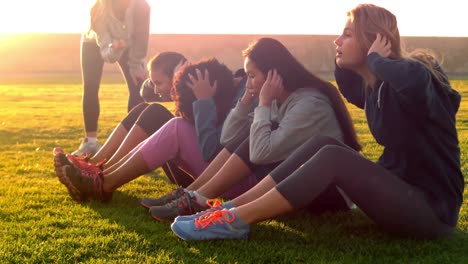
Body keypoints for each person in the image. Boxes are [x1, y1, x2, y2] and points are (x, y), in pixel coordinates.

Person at [169, 4, 464, 241]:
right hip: (403, 195)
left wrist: (375, 59)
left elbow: (412, 82)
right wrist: (365, 61)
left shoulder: (415, 75)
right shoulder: (376, 88)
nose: (337, 40)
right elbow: (345, 79)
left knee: (335, 156)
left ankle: (235, 221)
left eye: (347, 34)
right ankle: (229, 211)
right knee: (324, 144)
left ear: (373, 40)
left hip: (432, 210)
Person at [145, 37, 361, 222]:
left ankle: (197, 199)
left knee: (253, 136)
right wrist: (247, 100)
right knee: (248, 133)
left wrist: (263, 105)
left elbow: (259, 153)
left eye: (251, 76)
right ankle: (192, 195)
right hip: (296, 185)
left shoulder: (309, 104)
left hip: (328, 196)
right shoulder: (279, 100)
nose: (248, 83)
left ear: (273, 75)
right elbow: (228, 139)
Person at [56, 58, 254, 202]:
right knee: (148, 110)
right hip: (213, 168)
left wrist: (203, 102)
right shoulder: (237, 87)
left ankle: (103, 181)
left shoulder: (247, 98)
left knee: (169, 122)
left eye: (254, 73)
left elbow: (212, 149)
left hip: (225, 180)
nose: (250, 79)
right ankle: (98, 170)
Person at [54, 52, 194, 186]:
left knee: (155, 113)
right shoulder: (183, 95)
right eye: (154, 83)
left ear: (176, 78)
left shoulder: (197, 98)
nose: (156, 91)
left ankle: (102, 170)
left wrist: (181, 82)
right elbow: (146, 93)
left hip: (194, 177)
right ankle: (95, 164)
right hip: (183, 168)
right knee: (143, 108)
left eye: (159, 83)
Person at [74, 0, 151, 156]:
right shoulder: (99, 11)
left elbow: (142, 39)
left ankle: (133, 142)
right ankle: (90, 143)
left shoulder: (142, 6)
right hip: (98, 43)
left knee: (137, 86)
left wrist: (136, 65)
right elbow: (106, 52)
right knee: (90, 87)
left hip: (127, 43)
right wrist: (114, 48)